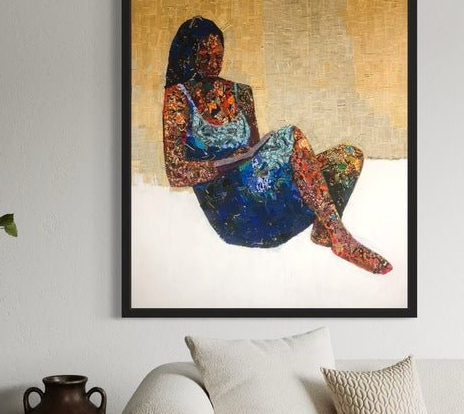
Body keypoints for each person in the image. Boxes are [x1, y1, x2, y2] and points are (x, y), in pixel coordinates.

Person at [162, 15, 392, 275]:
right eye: (204, 58)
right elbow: (176, 173)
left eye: (218, 57)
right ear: (188, 56)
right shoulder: (177, 98)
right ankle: (341, 237)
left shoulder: (241, 93)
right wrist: (232, 161)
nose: (213, 65)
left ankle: (323, 230)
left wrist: (259, 152)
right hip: (237, 217)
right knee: (290, 135)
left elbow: (257, 159)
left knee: (349, 156)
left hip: (266, 198)